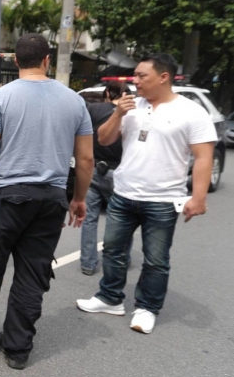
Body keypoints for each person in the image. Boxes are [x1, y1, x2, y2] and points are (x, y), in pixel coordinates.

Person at [0, 34, 94, 370]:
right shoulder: (74, 102)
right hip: (52, 199)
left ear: (16, 62)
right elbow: (85, 161)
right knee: (32, 274)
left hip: (7, 197)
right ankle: (17, 347)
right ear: (47, 60)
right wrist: (79, 199)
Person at [76, 54, 216, 335]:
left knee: (156, 259)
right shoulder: (131, 107)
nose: (134, 81)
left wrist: (198, 198)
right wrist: (118, 113)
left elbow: (203, 157)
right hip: (123, 193)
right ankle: (110, 298)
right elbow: (103, 139)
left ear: (163, 77)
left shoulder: (191, 112)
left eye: (141, 76)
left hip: (163, 199)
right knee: (114, 250)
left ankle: (147, 308)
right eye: (135, 76)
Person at [79, 80, 127, 275]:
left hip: (93, 168)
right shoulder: (132, 113)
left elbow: (84, 134)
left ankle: (88, 264)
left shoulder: (94, 109)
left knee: (89, 219)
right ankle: (119, 260)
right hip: (119, 172)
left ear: (107, 93)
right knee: (121, 220)